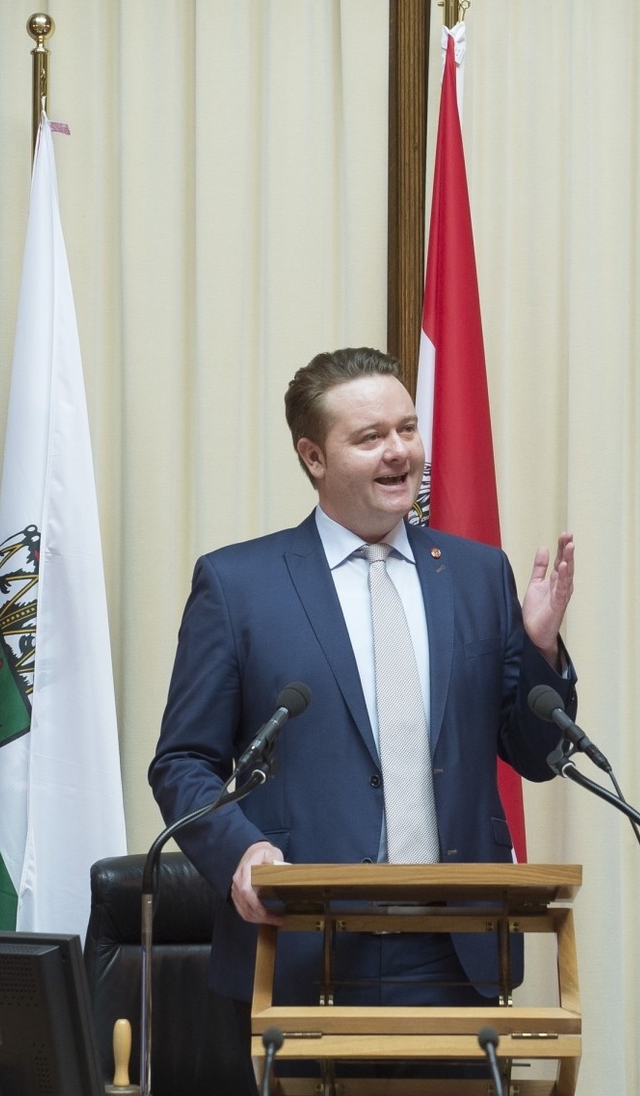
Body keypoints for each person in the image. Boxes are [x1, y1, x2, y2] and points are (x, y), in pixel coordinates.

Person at [150, 347, 577, 1013]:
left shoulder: (476, 575)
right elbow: (181, 761)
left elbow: (536, 755)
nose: (399, 451)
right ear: (313, 456)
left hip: (456, 946)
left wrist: (541, 647)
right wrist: (244, 849)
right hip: (301, 939)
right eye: (371, 437)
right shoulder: (239, 586)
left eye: (407, 429)